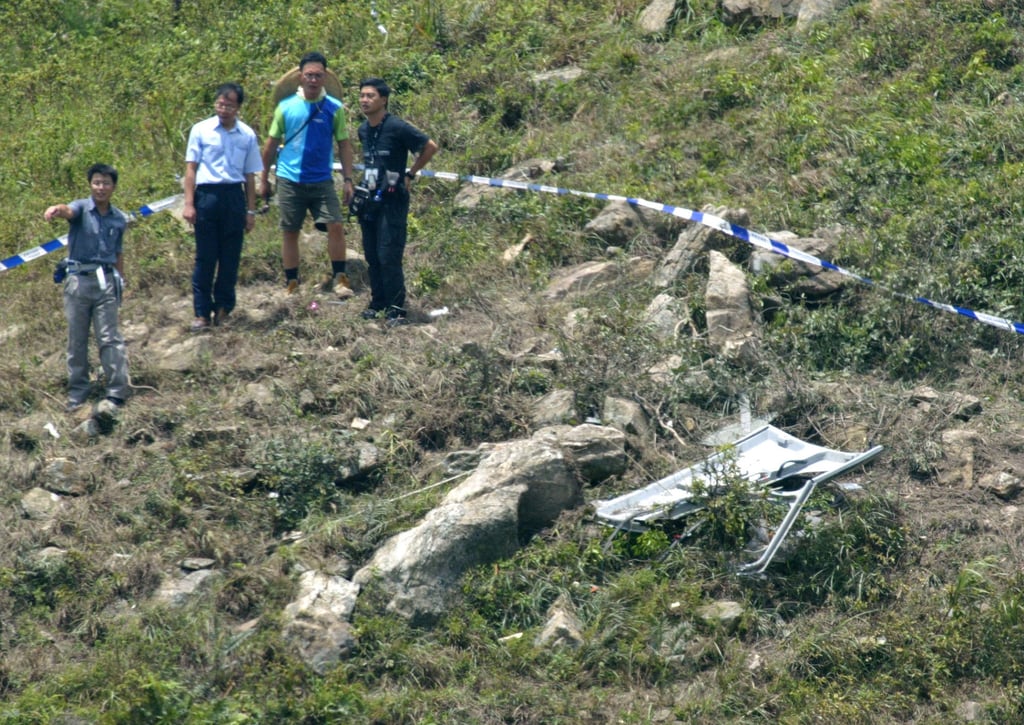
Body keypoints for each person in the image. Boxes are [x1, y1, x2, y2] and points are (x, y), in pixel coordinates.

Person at [260, 51, 355, 298]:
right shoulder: (286, 107)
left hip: (322, 179)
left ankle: (340, 277)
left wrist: (347, 180)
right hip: (290, 179)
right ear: (301, 77)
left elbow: (344, 144)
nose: (313, 80)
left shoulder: (334, 109)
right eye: (309, 75)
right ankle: (291, 282)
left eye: (318, 75)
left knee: (335, 224)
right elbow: (271, 145)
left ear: (324, 78)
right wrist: (262, 180)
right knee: (290, 231)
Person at [44, 164, 130, 413]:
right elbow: (68, 211)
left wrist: (121, 282)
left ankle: (116, 391)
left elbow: (118, 253)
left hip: (106, 283)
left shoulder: (118, 218)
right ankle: (78, 393)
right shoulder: (82, 208)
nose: (100, 187)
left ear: (113, 186)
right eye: (96, 182)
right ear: (90, 185)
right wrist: (56, 210)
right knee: (77, 339)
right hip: (79, 282)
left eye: (105, 183)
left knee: (109, 338)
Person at [355, 77, 438, 325]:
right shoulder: (363, 130)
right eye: (362, 96)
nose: (365, 100)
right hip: (369, 197)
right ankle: (377, 303)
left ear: (384, 99)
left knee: (388, 254)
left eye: (370, 96)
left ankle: (396, 308)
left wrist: (410, 174)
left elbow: (430, 146)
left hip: (393, 199)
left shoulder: (397, 127)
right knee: (371, 253)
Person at [183, 82, 263, 332]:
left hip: (233, 197)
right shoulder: (201, 130)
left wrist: (250, 211)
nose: (224, 108)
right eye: (220, 103)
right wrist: (189, 203)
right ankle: (201, 313)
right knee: (205, 258)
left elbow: (250, 175)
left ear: (238, 107)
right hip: (207, 197)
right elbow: (191, 169)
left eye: (229, 105)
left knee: (230, 258)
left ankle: (224, 309)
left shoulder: (247, 135)